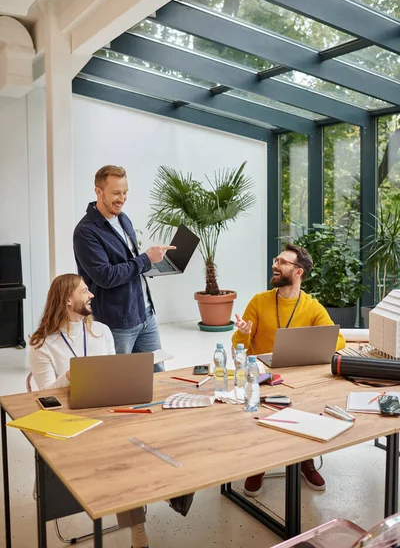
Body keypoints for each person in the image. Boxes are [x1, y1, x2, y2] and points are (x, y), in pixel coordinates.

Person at [30, 274, 193, 548]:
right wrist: (71, 375)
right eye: (85, 291)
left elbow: (111, 377)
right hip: (68, 418)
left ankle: (170, 487)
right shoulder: (43, 343)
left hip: (106, 409)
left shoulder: (101, 331)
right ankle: (140, 530)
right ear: (68, 300)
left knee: (164, 430)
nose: (92, 295)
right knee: (123, 460)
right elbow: (44, 394)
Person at [232, 243, 346, 496]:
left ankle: (305, 459)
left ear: (298, 272)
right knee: (262, 411)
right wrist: (243, 334)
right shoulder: (259, 301)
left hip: (298, 377)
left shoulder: (312, 306)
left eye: (282, 262)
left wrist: (307, 343)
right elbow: (239, 346)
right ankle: (261, 462)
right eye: (276, 259)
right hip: (262, 376)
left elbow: (337, 340)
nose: (275, 264)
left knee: (315, 399)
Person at [73, 165, 175, 373]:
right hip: (117, 322)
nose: (122, 198)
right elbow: (106, 276)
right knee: (118, 381)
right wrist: (146, 259)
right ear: (98, 191)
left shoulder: (123, 219)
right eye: (116, 193)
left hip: (145, 313)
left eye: (125, 192)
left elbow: (128, 262)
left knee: (158, 376)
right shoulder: (85, 232)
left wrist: (149, 263)